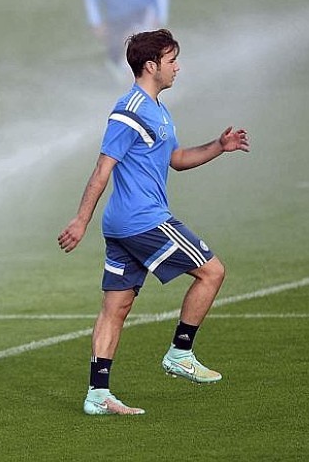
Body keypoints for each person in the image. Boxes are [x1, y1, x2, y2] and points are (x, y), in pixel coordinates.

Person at [57, 29, 249, 416]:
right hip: (143, 221)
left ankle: (97, 396)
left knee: (117, 307)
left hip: (123, 226)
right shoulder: (129, 112)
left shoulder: (158, 109)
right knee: (212, 272)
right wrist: (79, 220)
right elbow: (101, 170)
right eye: (172, 60)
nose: (178, 67)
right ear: (151, 65)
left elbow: (174, 159)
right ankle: (180, 352)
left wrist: (218, 146)